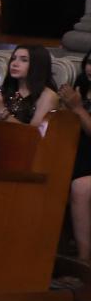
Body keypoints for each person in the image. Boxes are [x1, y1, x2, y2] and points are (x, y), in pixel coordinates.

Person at [58, 58, 91, 261]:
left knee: (79, 186)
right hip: (75, 157)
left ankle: (84, 260)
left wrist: (78, 109)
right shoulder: (80, 88)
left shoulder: (78, 101)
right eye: (90, 62)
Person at [0, 44, 56, 128]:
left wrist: (2, 112)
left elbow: (34, 134)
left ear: (37, 65)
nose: (14, 64)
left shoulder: (48, 96)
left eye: (24, 60)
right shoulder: (5, 89)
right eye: (13, 58)